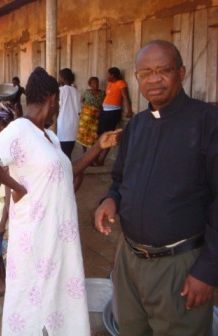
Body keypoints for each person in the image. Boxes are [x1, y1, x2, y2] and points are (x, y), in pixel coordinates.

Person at [0, 67, 121, 335]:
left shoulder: (49, 137)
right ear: (53, 98)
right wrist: (16, 187)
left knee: (60, 292)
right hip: (34, 233)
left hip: (59, 233)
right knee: (30, 295)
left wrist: (99, 146)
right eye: (58, 103)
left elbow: (68, 171)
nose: (58, 109)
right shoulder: (20, 129)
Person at [94, 40, 218, 336]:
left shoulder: (207, 121)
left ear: (182, 72)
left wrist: (208, 269)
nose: (154, 79)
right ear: (136, 77)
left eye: (164, 70)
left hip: (180, 266)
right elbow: (120, 179)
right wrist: (110, 200)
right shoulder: (136, 125)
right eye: (145, 72)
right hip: (129, 260)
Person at [96, 67, 133, 166]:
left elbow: (125, 97)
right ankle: (96, 157)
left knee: (108, 135)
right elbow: (107, 97)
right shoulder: (110, 84)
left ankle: (102, 159)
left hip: (113, 113)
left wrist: (129, 110)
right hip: (105, 111)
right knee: (100, 134)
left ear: (112, 75)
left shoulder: (121, 83)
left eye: (108, 74)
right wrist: (101, 110)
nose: (107, 76)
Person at [76, 77, 106, 152]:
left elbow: (104, 104)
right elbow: (82, 100)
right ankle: (84, 152)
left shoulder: (102, 93)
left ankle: (91, 153)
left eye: (97, 83)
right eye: (94, 83)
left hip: (96, 116)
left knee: (93, 135)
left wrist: (100, 111)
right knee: (84, 133)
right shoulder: (87, 92)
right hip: (85, 117)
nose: (96, 84)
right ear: (90, 85)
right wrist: (86, 109)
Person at [57, 68, 81, 160]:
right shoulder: (76, 91)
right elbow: (79, 110)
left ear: (63, 78)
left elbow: (57, 107)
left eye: (59, 77)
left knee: (64, 154)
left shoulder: (60, 91)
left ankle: (69, 172)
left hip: (63, 124)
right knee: (68, 152)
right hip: (73, 124)